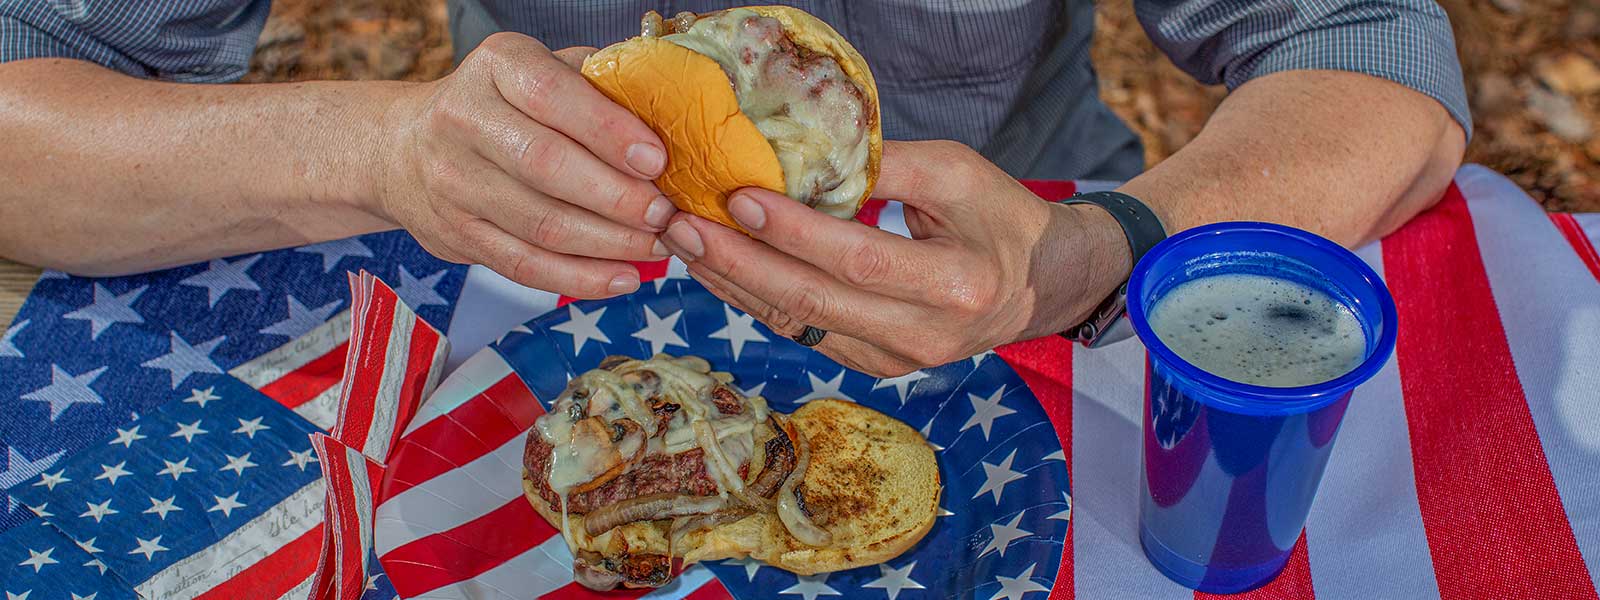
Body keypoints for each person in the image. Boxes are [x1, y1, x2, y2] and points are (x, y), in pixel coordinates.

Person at [0, 1, 1467, 377]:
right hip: (526, 293)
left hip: (1005, 299)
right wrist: (376, 150)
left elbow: (1377, 62)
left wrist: (1100, 253)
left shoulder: (1061, 271)